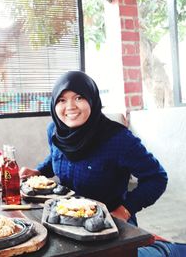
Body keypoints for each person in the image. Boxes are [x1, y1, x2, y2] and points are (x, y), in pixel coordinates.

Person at [20, 71, 186, 256]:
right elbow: (57, 155)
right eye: (61, 100)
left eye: (79, 97)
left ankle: (168, 250)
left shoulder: (118, 139)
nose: (70, 106)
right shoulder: (56, 131)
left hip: (110, 226)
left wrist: (124, 211)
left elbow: (156, 178)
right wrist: (38, 171)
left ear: (92, 99)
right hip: (67, 222)